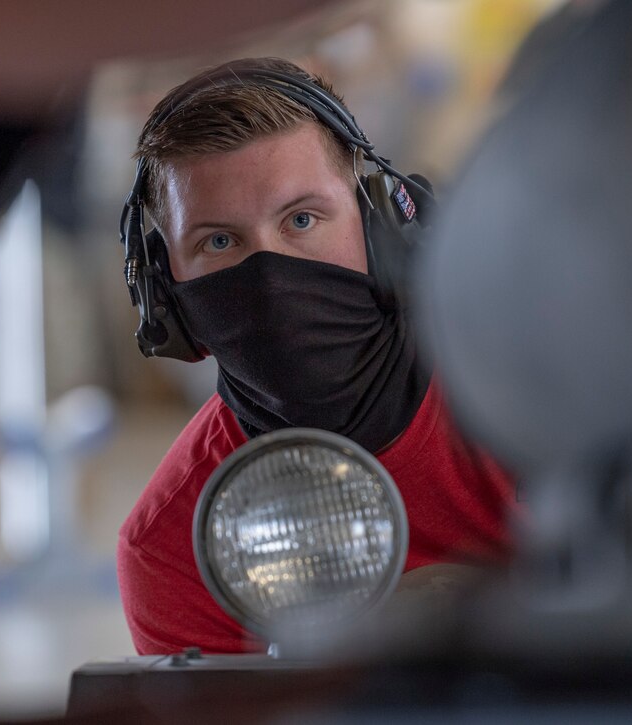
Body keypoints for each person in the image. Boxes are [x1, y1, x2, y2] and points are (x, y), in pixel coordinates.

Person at [115, 56, 517, 655]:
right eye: (218, 240)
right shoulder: (172, 549)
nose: (270, 274)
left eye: (302, 219)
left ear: (381, 226)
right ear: (163, 290)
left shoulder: (541, 417)